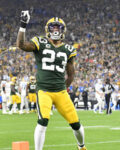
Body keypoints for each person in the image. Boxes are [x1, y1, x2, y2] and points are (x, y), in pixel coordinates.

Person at [16, 11, 87, 150]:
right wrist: (23, 25)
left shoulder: (68, 49)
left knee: (76, 124)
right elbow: (21, 45)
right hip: (44, 91)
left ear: (63, 30)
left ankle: (82, 147)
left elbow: (71, 74)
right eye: (53, 27)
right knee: (42, 122)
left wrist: (63, 88)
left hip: (60, 92)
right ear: (48, 30)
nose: (55, 30)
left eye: (58, 27)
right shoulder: (40, 42)